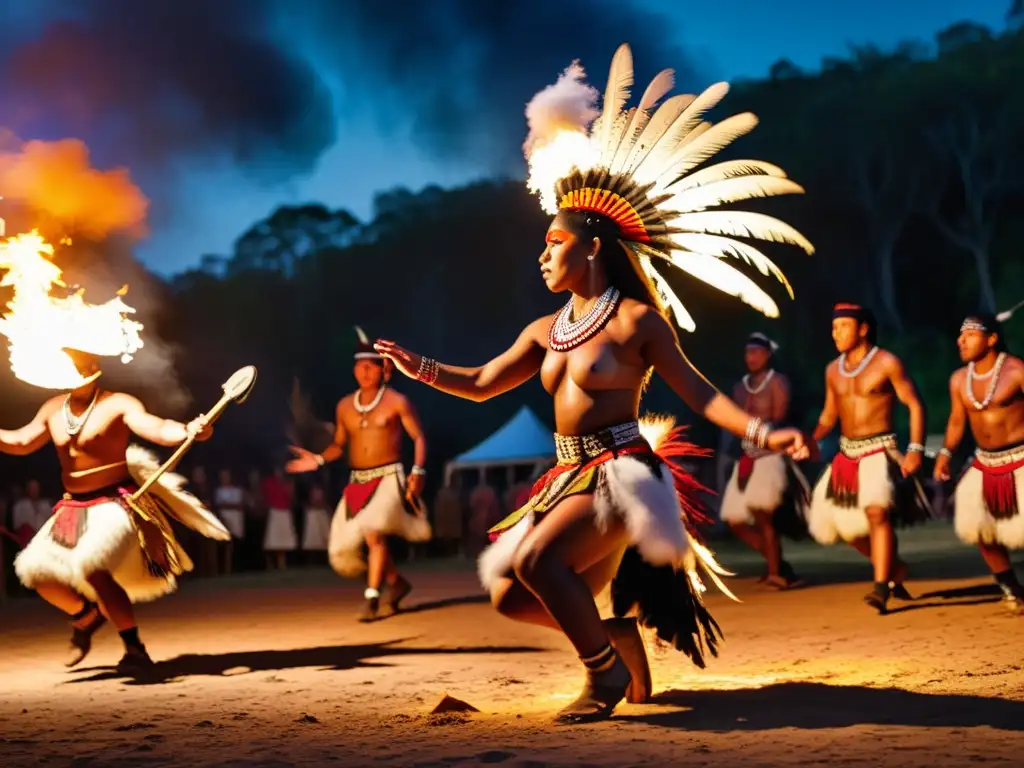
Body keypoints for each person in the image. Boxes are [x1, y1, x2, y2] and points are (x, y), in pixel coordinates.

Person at [374, 44, 812, 722]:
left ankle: (602, 678)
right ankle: (612, 639)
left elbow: (697, 392)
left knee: (542, 565)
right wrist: (419, 366)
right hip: (566, 477)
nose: (543, 252)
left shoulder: (637, 319)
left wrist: (763, 429)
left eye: (553, 242)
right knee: (510, 594)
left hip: (624, 472)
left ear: (591, 247)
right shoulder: (546, 329)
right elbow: (484, 382)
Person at [6, 349, 227, 671]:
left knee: (92, 565)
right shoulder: (53, 408)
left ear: (94, 369)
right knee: (35, 571)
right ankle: (86, 617)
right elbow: (22, 442)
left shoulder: (118, 403)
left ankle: (134, 648)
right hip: (73, 505)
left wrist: (187, 430)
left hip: (114, 501)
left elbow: (158, 428)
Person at [287, 327, 430, 621]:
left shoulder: (397, 402)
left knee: (374, 532)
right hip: (358, 480)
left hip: (389, 476)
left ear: (383, 369)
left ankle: (372, 597)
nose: (364, 372)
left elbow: (418, 437)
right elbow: (339, 445)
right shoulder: (344, 407)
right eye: (359, 366)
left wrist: (418, 470)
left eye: (370, 366)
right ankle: (396, 582)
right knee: (360, 540)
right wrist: (318, 459)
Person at [808, 303, 931, 614]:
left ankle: (879, 588)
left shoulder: (887, 362)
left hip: (879, 449)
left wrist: (916, 448)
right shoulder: (832, 370)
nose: (835, 333)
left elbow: (915, 405)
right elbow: (828, 415)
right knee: (843, 527)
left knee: (877, 513)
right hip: (847, 453)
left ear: (863, 329)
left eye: (843, 327)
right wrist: (809, 440)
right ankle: (895, 569)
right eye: (834, 328)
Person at [934, 314, 1024, 613]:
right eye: (960, 336)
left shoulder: (1016, 370)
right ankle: (1010, 587)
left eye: (969, 335)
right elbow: (957, 420)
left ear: (992, 338)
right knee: (978, 527)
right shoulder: (959, 379)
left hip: (1021, 457)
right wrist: (946, 454)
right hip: (985, 461)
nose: (961, 341)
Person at [720, 333, 809, 588]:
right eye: (748, 353)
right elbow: (735, 422)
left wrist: (761, 431)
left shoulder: (778, 382)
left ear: (767, 355)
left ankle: (775, 572)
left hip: (769, 455)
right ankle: (777, 564)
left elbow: (779, 416)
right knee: (734, 520)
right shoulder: (739, 387)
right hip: (746, 457)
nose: (751, 358)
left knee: (763, 515)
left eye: (756, 353)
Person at [213, 468, 245, 575]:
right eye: (223, 476)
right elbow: (219, 505)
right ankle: (225, 569)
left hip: (236, 520)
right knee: (225, 546)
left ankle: (236, 568)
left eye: (227, 476)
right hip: (224, 521)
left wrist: (227, 505)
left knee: (236, 545)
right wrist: (231, 505)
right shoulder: (219, 491)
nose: (225, 478)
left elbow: (240, 505)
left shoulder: (237, 490)